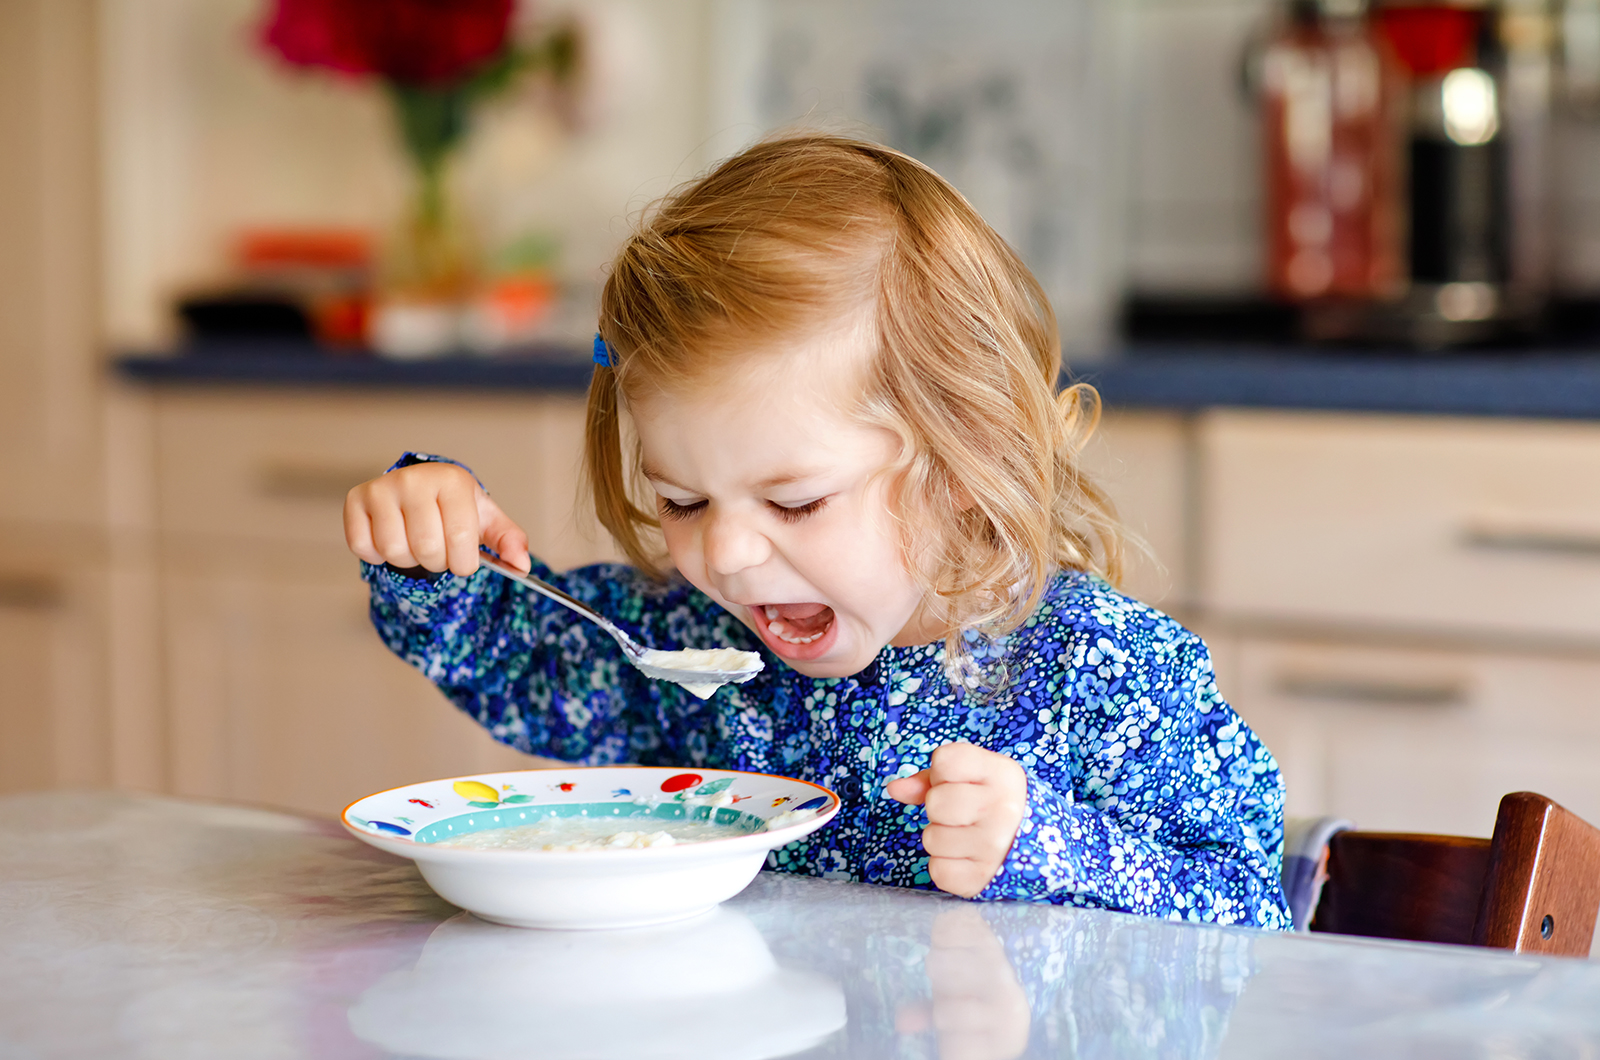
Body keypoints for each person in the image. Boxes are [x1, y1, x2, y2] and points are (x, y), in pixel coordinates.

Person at [343, 134, 1291, 928]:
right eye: (683, 502)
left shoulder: (1101, 672)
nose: (726, 554)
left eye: (794, 503)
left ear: (965, 461)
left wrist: (1048, 845)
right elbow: (522, 661)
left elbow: (1253, 920)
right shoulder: (697, 648)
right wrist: (434, 552)